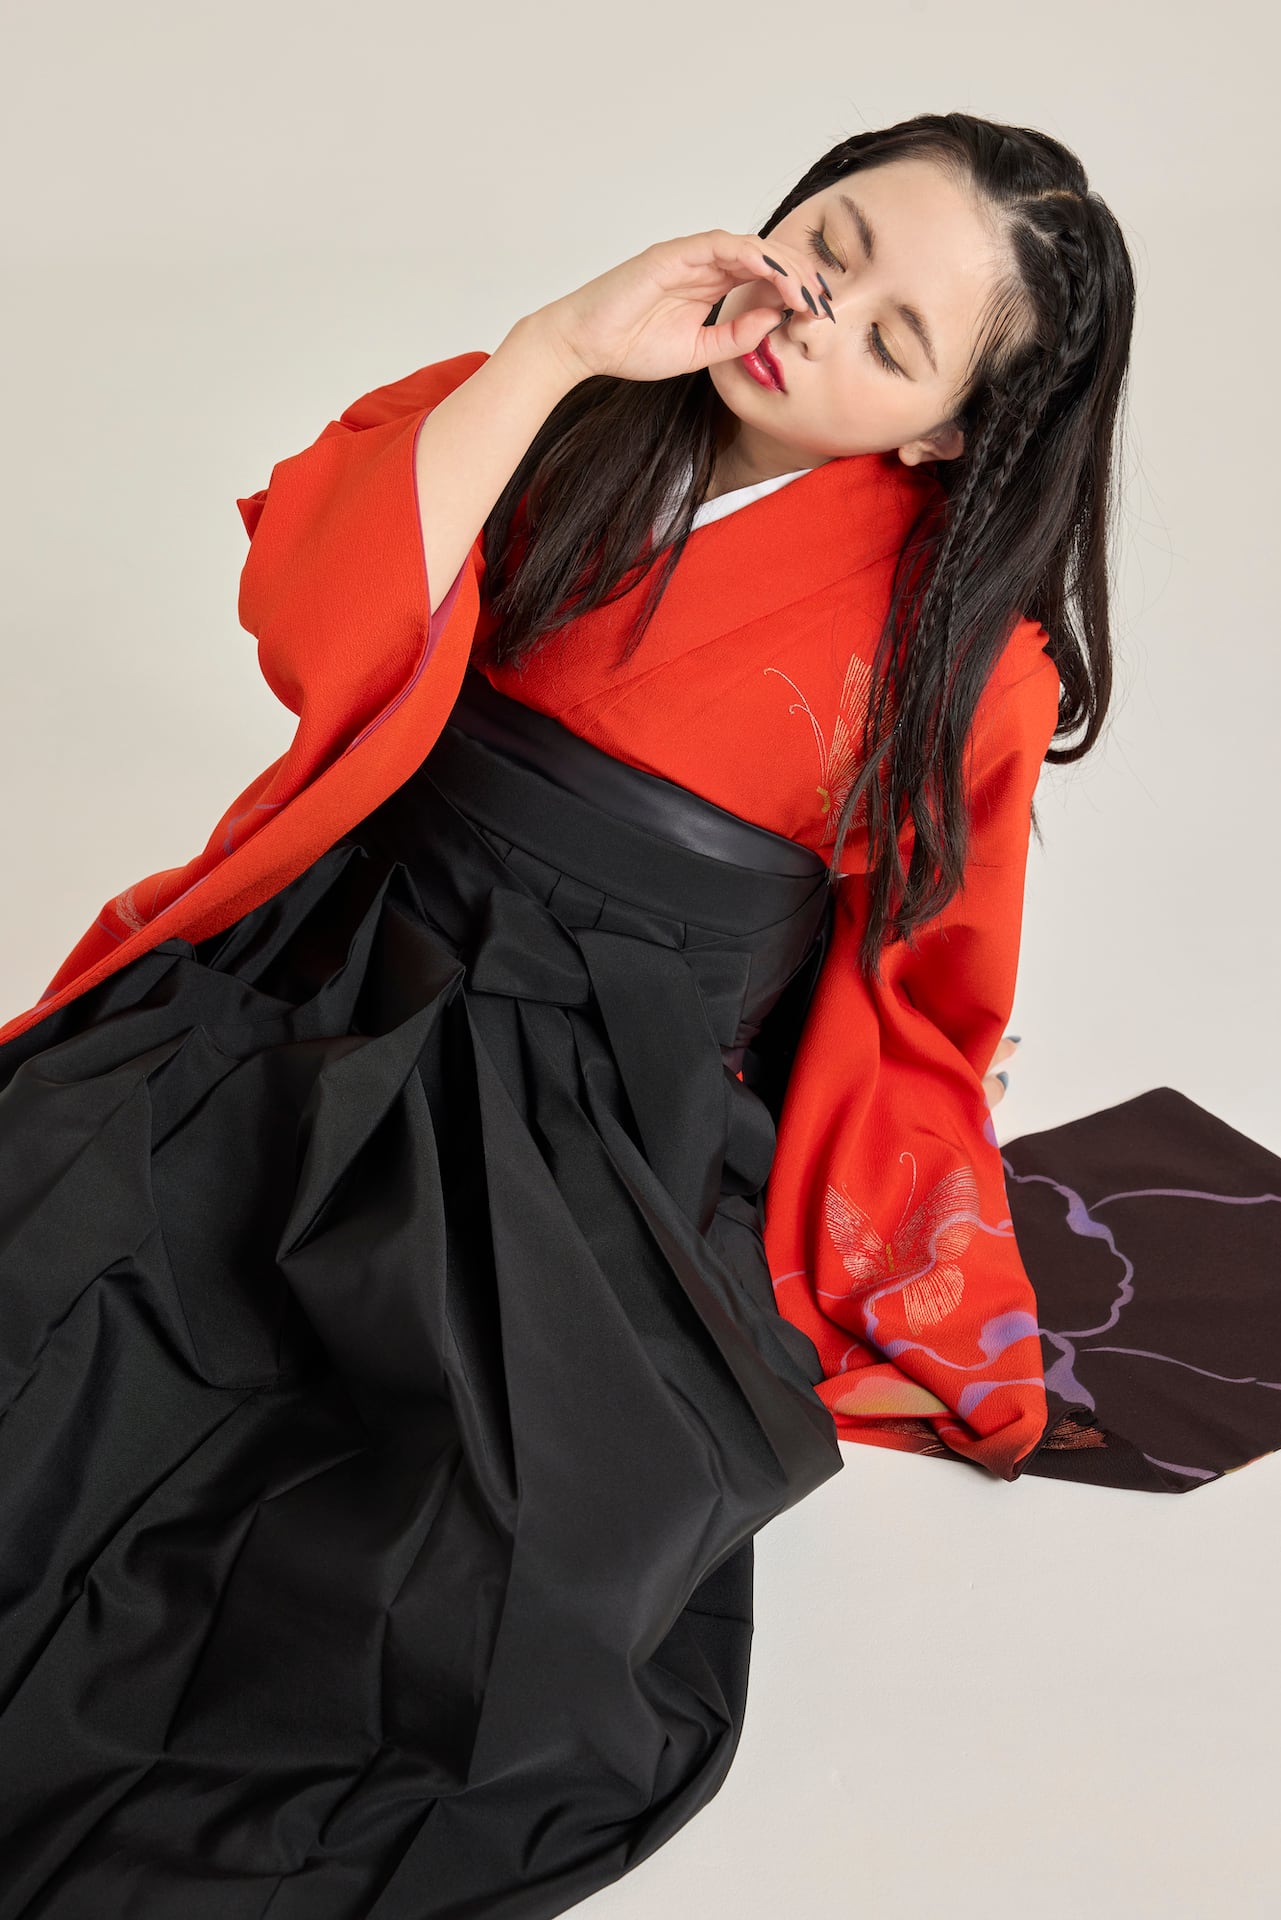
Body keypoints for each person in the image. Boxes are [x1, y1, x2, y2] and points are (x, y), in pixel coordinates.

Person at [0, 109, 1277, 1918]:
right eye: (827, 244)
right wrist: (548, 351)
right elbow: (308, 613)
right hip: (326, 966)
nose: (812, 312)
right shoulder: (566, 405)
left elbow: (918, 973)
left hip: (584, 1093)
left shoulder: (966, 654)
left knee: (490, 1548)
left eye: (890, 336)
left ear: (942, 431)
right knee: (53, 1281)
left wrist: (899, 1191)